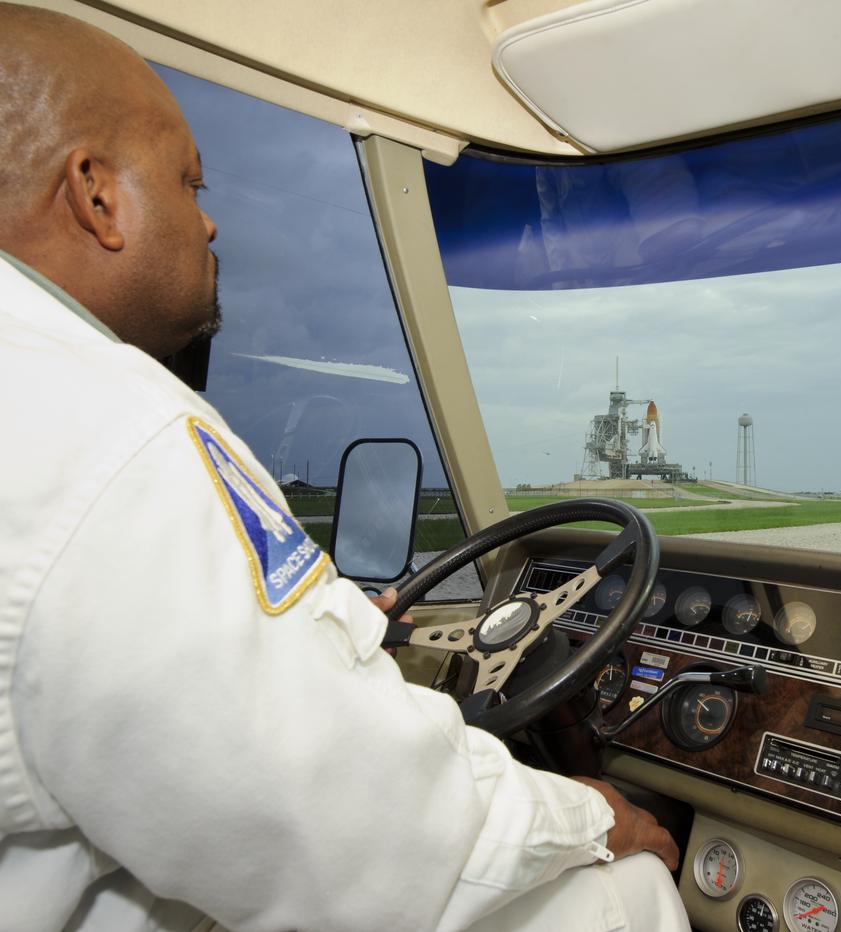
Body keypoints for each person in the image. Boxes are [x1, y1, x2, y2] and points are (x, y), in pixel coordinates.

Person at [0, 5, 687, 930]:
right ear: (94, 194)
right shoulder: (116, 432)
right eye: (186, 182)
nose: (207, 223)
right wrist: (595, 817)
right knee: (625, 889)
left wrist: (308, 643)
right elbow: (376, 836)